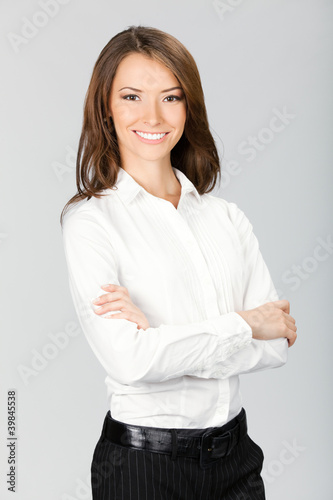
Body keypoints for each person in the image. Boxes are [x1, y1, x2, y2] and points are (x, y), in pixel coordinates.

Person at [60, 25, 297, 500]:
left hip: (236, 460)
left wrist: (163, 341)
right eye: (131, 96)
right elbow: (129, 359)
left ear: (189, 107)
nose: (152, 114)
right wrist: (245, 325)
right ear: (106, 107)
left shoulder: (225, 218)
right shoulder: (91, 221)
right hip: (144, 467)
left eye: (170, 97)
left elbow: (277, 346)